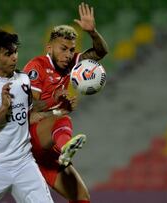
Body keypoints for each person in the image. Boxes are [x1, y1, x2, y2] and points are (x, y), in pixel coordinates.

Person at [23, 2, 108, 203]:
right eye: (63, 49)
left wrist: (93, 32)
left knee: (81, 197)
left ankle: (63, 151)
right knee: (63, 119)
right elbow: (28, 109)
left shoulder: (71, 64)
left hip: (45, 153)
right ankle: (65, 149)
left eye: (71, 50)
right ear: (49, 47)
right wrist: (56, 101)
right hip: (29, 137)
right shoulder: (36, 67)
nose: (68, 55)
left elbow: (100, 52)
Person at [0, 29, 53, 203]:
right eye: (8, 53)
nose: (15, 57)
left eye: (15, 52)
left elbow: (29, 114)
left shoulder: (23, 79)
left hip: (24, 163)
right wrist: (3, 109)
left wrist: (56, 104)